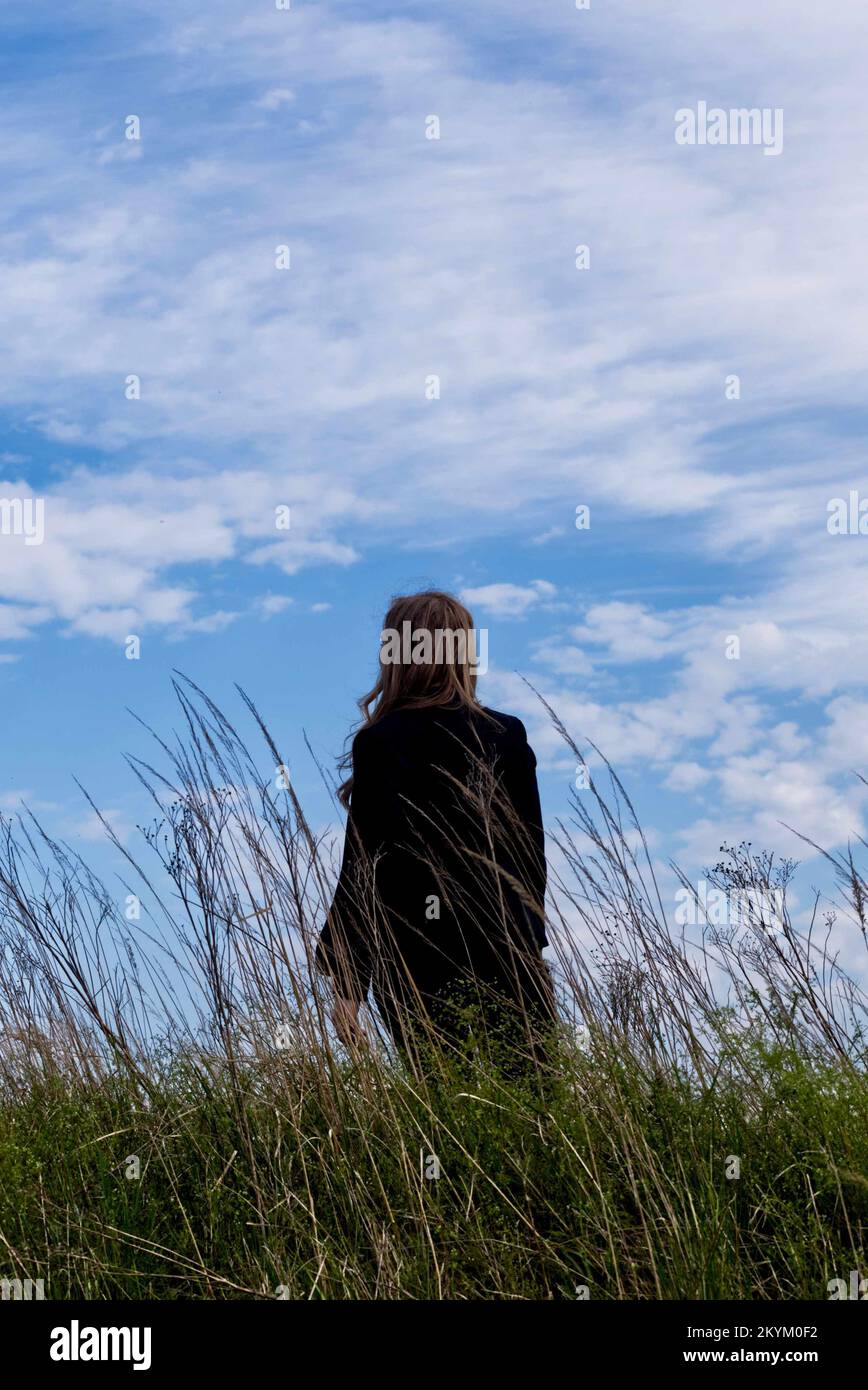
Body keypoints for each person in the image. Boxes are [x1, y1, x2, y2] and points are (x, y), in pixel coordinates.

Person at [315, 589, 556, 1077]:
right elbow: (530, 863)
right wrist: (532, 953)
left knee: (449, 1116)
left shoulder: (382, 743)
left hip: (420, 965)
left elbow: (363, 869)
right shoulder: (506, 736)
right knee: (535, 1122)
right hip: (510, 960)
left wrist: (347, 986)